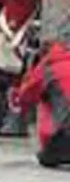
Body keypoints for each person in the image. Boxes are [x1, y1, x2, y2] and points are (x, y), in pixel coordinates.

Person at [15, 39, 70, 168]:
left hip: (66, 134)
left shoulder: (47, 68)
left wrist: (29, 74)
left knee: (46, 159)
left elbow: (25, 96)